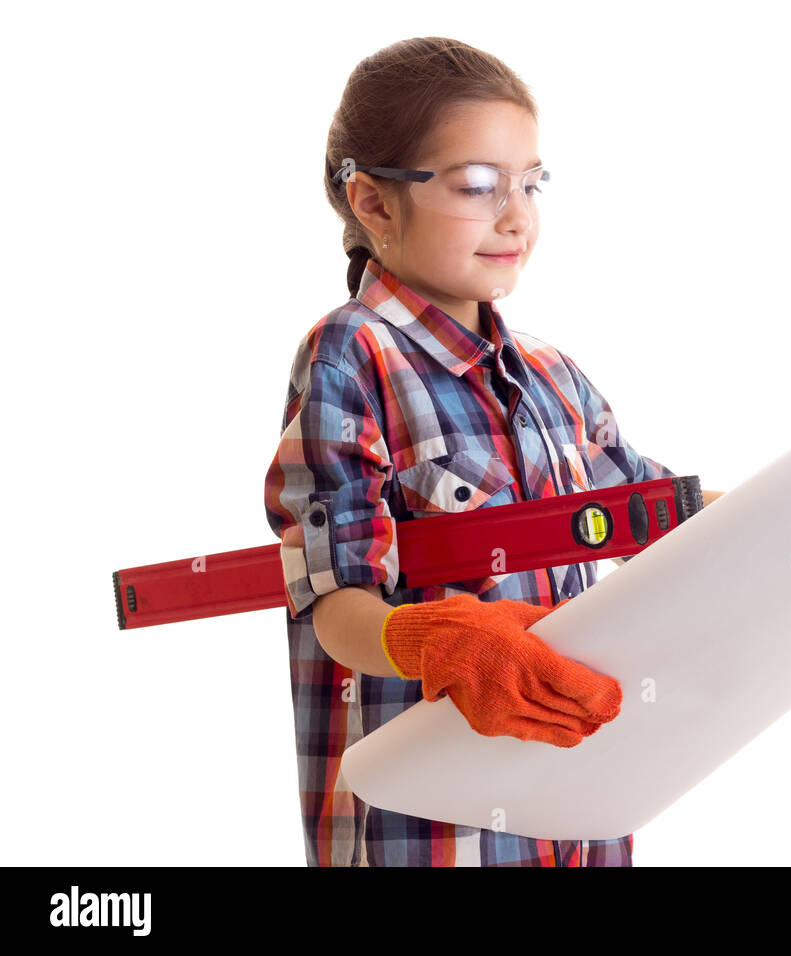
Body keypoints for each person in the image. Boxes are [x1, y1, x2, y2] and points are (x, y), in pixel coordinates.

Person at [262, 36, 722, 867]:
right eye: (479, 186)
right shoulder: (351, 356)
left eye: (531, 183)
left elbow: (662, 524)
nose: (517, 215)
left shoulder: (552, 374)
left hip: (580, 813)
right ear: (372, 201)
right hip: (437, 834)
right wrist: (442, 643)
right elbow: (334, 605)